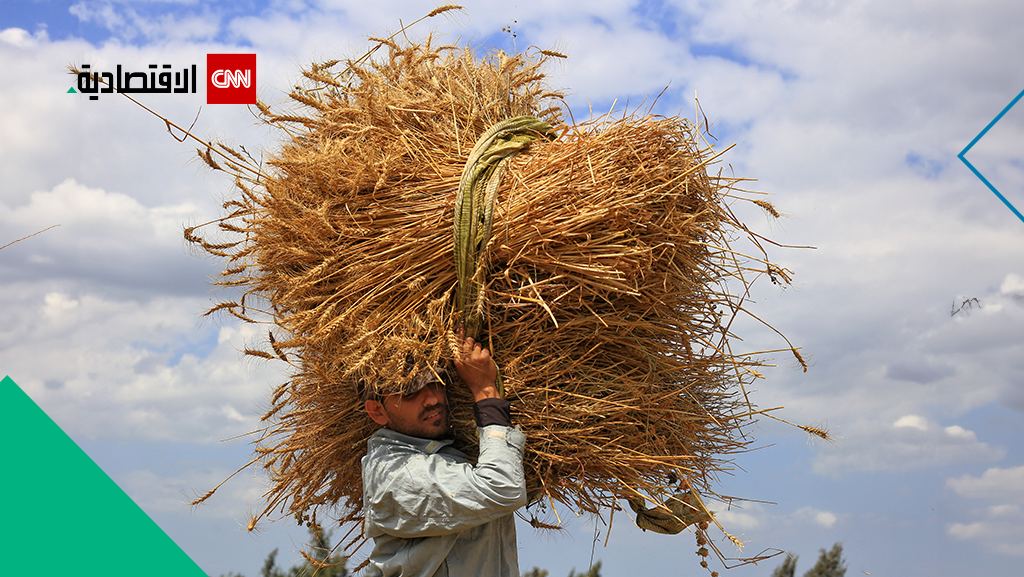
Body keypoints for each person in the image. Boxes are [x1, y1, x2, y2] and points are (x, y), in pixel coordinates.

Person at [360, 334, 527, 577]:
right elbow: (503, 487)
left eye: (435, 382)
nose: (432, 399)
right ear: (377, 412)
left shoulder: (453, 453)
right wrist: (485, 391)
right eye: (409, 392)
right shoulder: (393, 474)